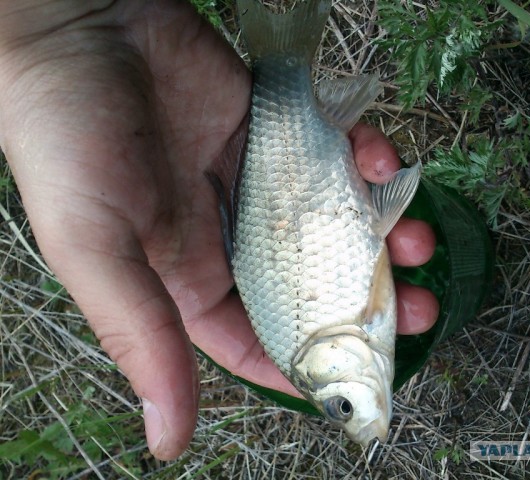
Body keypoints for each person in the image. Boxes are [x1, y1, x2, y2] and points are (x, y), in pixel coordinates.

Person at [0, 0, 440, 460]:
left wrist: (47, 29)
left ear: (321, 364)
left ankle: (280, 60)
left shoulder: (357, 324)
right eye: (343, 407)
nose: (358, 411)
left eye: (343, 406)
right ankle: (282, 61)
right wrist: (44, 30)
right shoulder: (326, 332)